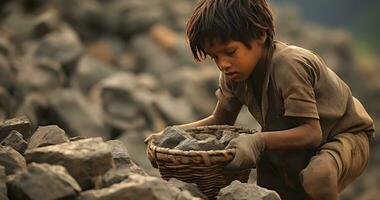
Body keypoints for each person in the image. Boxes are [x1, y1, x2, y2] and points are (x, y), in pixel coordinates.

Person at [145, 0, 375, 199]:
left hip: (343, 134)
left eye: (230, 52)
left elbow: (311, 132)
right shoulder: (233, 74)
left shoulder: (289, 65)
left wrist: (257, 142)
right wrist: (171, 135)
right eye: (215, 57)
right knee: (272, 191)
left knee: (318, 177)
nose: (223, 64)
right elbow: (219, 119)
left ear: (260, 34)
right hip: (293, 140)